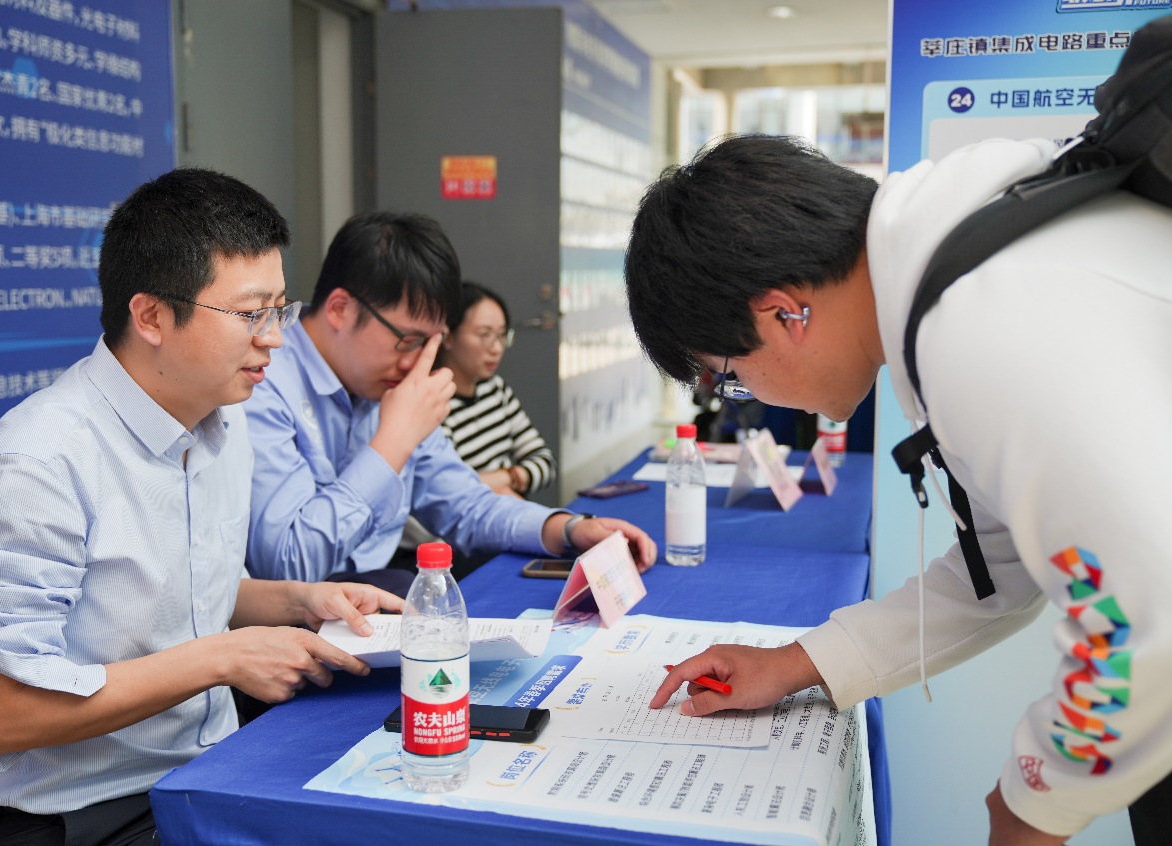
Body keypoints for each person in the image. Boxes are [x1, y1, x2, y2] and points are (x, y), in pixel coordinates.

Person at [628, 135, 1172, 845]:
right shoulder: (966, 257)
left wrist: (1033, 806)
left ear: (783, 313)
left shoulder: (982, 327)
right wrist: (796, 665)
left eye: (728, 374)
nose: (745, 393)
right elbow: (998, 566)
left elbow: (1151, 623)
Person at [0, 168, 404, 846]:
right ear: (150, 316)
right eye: (250, 314)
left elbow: (184, 590)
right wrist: (221, 659)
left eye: (280, 309)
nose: (274, 337)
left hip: (208, 771)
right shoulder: (35, 465)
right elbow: (3, 716)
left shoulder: (222, 420)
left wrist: (301, 602)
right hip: (87, 816)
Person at [243, 211, 655, 588]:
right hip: (294, 619)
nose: (418, 363)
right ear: (340, 310)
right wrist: (393, 442)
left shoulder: (388, 381)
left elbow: (466, 505)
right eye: (409, 340)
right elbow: (287, 566)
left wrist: (567, 529)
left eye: (432, 343)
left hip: (371, 592)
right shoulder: (261, 379)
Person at [438, 282, 555, 498]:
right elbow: (450, 491)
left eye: (501, 335)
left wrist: (507, 478)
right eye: (485, 334)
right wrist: (507, 484)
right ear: (448, 335)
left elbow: (546, 462)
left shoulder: (495, 389)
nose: (497, 348)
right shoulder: (435, 406)